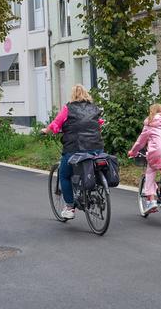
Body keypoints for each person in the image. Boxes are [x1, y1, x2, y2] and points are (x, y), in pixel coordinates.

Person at [42, 84, 105, 220]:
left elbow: (56, 124)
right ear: (86, 94)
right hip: (96, 149)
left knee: (64, 174)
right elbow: (100, 123)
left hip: (75, 149)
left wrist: (46, 131)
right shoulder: (94, 108)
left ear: (73, 96)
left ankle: (70, 207)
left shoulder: (68, 109)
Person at [128, 103, 161, 212]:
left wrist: (132, 152)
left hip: (155, 152)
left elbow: (140, 142)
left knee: (150, 174)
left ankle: (151, 202)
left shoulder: (150, 124)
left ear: (151, 112)